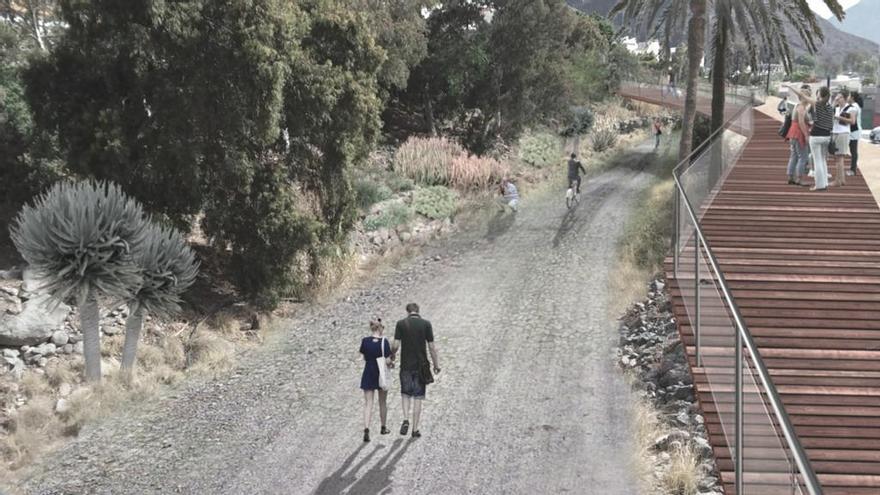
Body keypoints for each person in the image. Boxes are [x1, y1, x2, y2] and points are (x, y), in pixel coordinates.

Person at [392, 303, 440, 439]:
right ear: (418, 311)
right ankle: (415, 429)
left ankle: (406, 418)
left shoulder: (401, 324)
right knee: (418, 397)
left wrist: (392, 354)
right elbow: (431, 347)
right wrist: (436, 365)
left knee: (405, 394)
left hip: (406, 365)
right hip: (421, 366)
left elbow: (395, 345)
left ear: (407, 312)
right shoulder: (426, 324)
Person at [788, 84, 833, 191]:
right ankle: (824, 183)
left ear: (820, 96)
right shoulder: (830, 107)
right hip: (826, 136)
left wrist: (790, 87)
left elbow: (800, 94)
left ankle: (819, 185)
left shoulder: (816, 104)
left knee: (817, 161)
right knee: (823, 160)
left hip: (816, 136)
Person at [359, 318, 393, 442]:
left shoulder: (365, 341)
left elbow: (364, 357)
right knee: (382, 402)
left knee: (368, 403)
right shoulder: (384, 342)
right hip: (381, 374)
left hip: (368, 372)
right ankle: (383, 427)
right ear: (380, 328)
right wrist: (391, 363)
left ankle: (366, 429)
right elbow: (388, 361)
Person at [785, 85, 812, 186]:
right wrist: (806, 135)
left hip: (792, 132)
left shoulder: (797, 106)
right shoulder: (801, 107)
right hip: (798, 133)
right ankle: (799, 179)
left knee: (794, 156)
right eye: (808, 96)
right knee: (803, 156)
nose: (810, 99)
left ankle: (791, 176)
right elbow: (801, 122)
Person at [831, 91, 855, 187]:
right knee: (837, 157)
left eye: (839, 97)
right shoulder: (836, 108)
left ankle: (838, 180)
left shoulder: (851, 108)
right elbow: (829, 111)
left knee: (839, 157)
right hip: (835, 132)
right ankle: (842, 179)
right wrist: (833, 102)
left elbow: (852, 121)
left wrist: (839, 117)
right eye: (837, 97)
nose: (837, 98)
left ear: (844, 98)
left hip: (843, 133)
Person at [847, 91, 863, 176]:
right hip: (854, 131)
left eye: (849, 95)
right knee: (853, 151)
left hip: (854, 131)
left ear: (852, 97)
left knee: (853, 151)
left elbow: (852, 121)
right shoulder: (854, 106)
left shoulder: (854, 106)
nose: (847, 97)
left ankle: (853, 170)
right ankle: (852, 169)